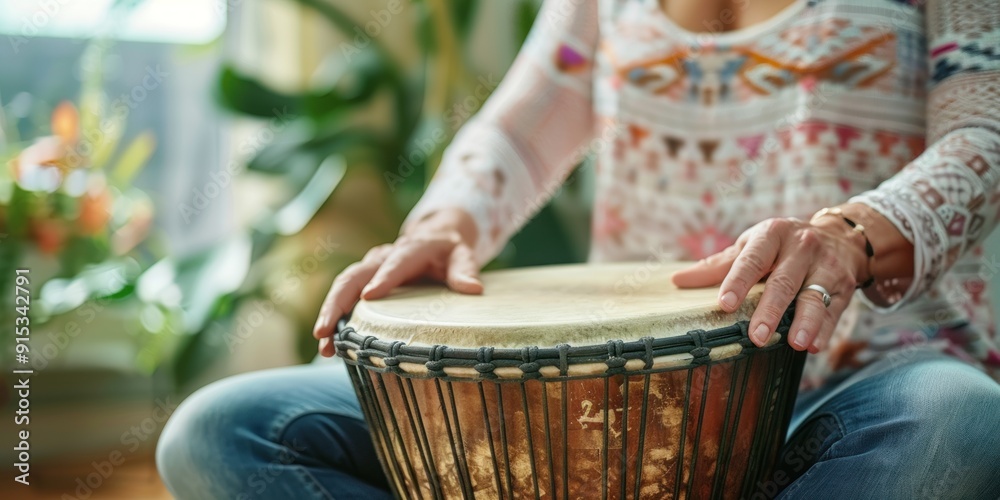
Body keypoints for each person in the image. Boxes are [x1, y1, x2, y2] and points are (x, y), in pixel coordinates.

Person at [157, 0, 1000, 497]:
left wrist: (845, 234)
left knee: (957, 426)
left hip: (852, 386)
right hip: (612, 403)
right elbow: (523, 125)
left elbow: (984, 135)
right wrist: (443, 226)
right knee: (223, 432)